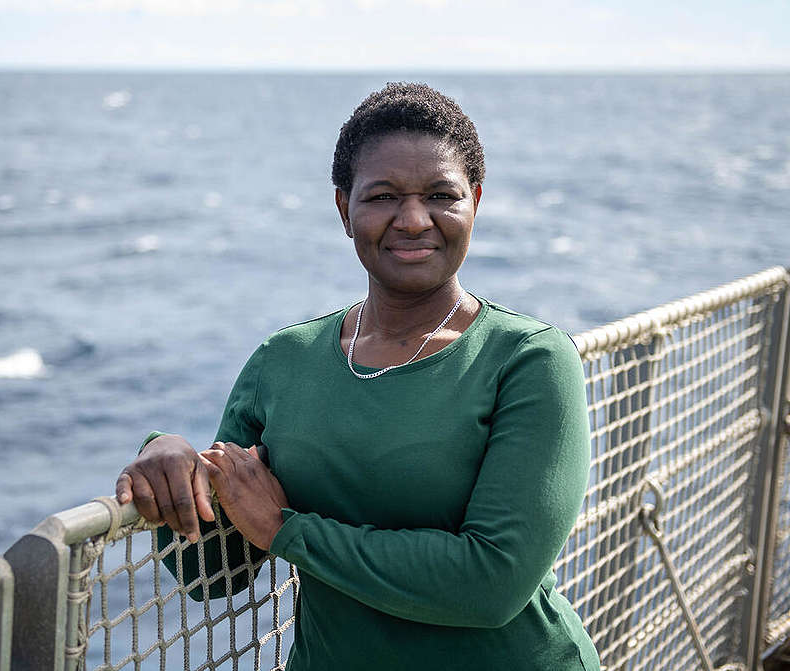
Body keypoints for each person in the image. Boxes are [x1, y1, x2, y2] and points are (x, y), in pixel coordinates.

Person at [115, 82, 599, 670]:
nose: (414, 219)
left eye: (441, 195)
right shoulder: (284, 360)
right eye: (383, 196)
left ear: (475, 201)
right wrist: (167, 460)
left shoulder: (529, 360)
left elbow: (492, 584)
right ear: (345, 210)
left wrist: (287, 530)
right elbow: (213, 575)